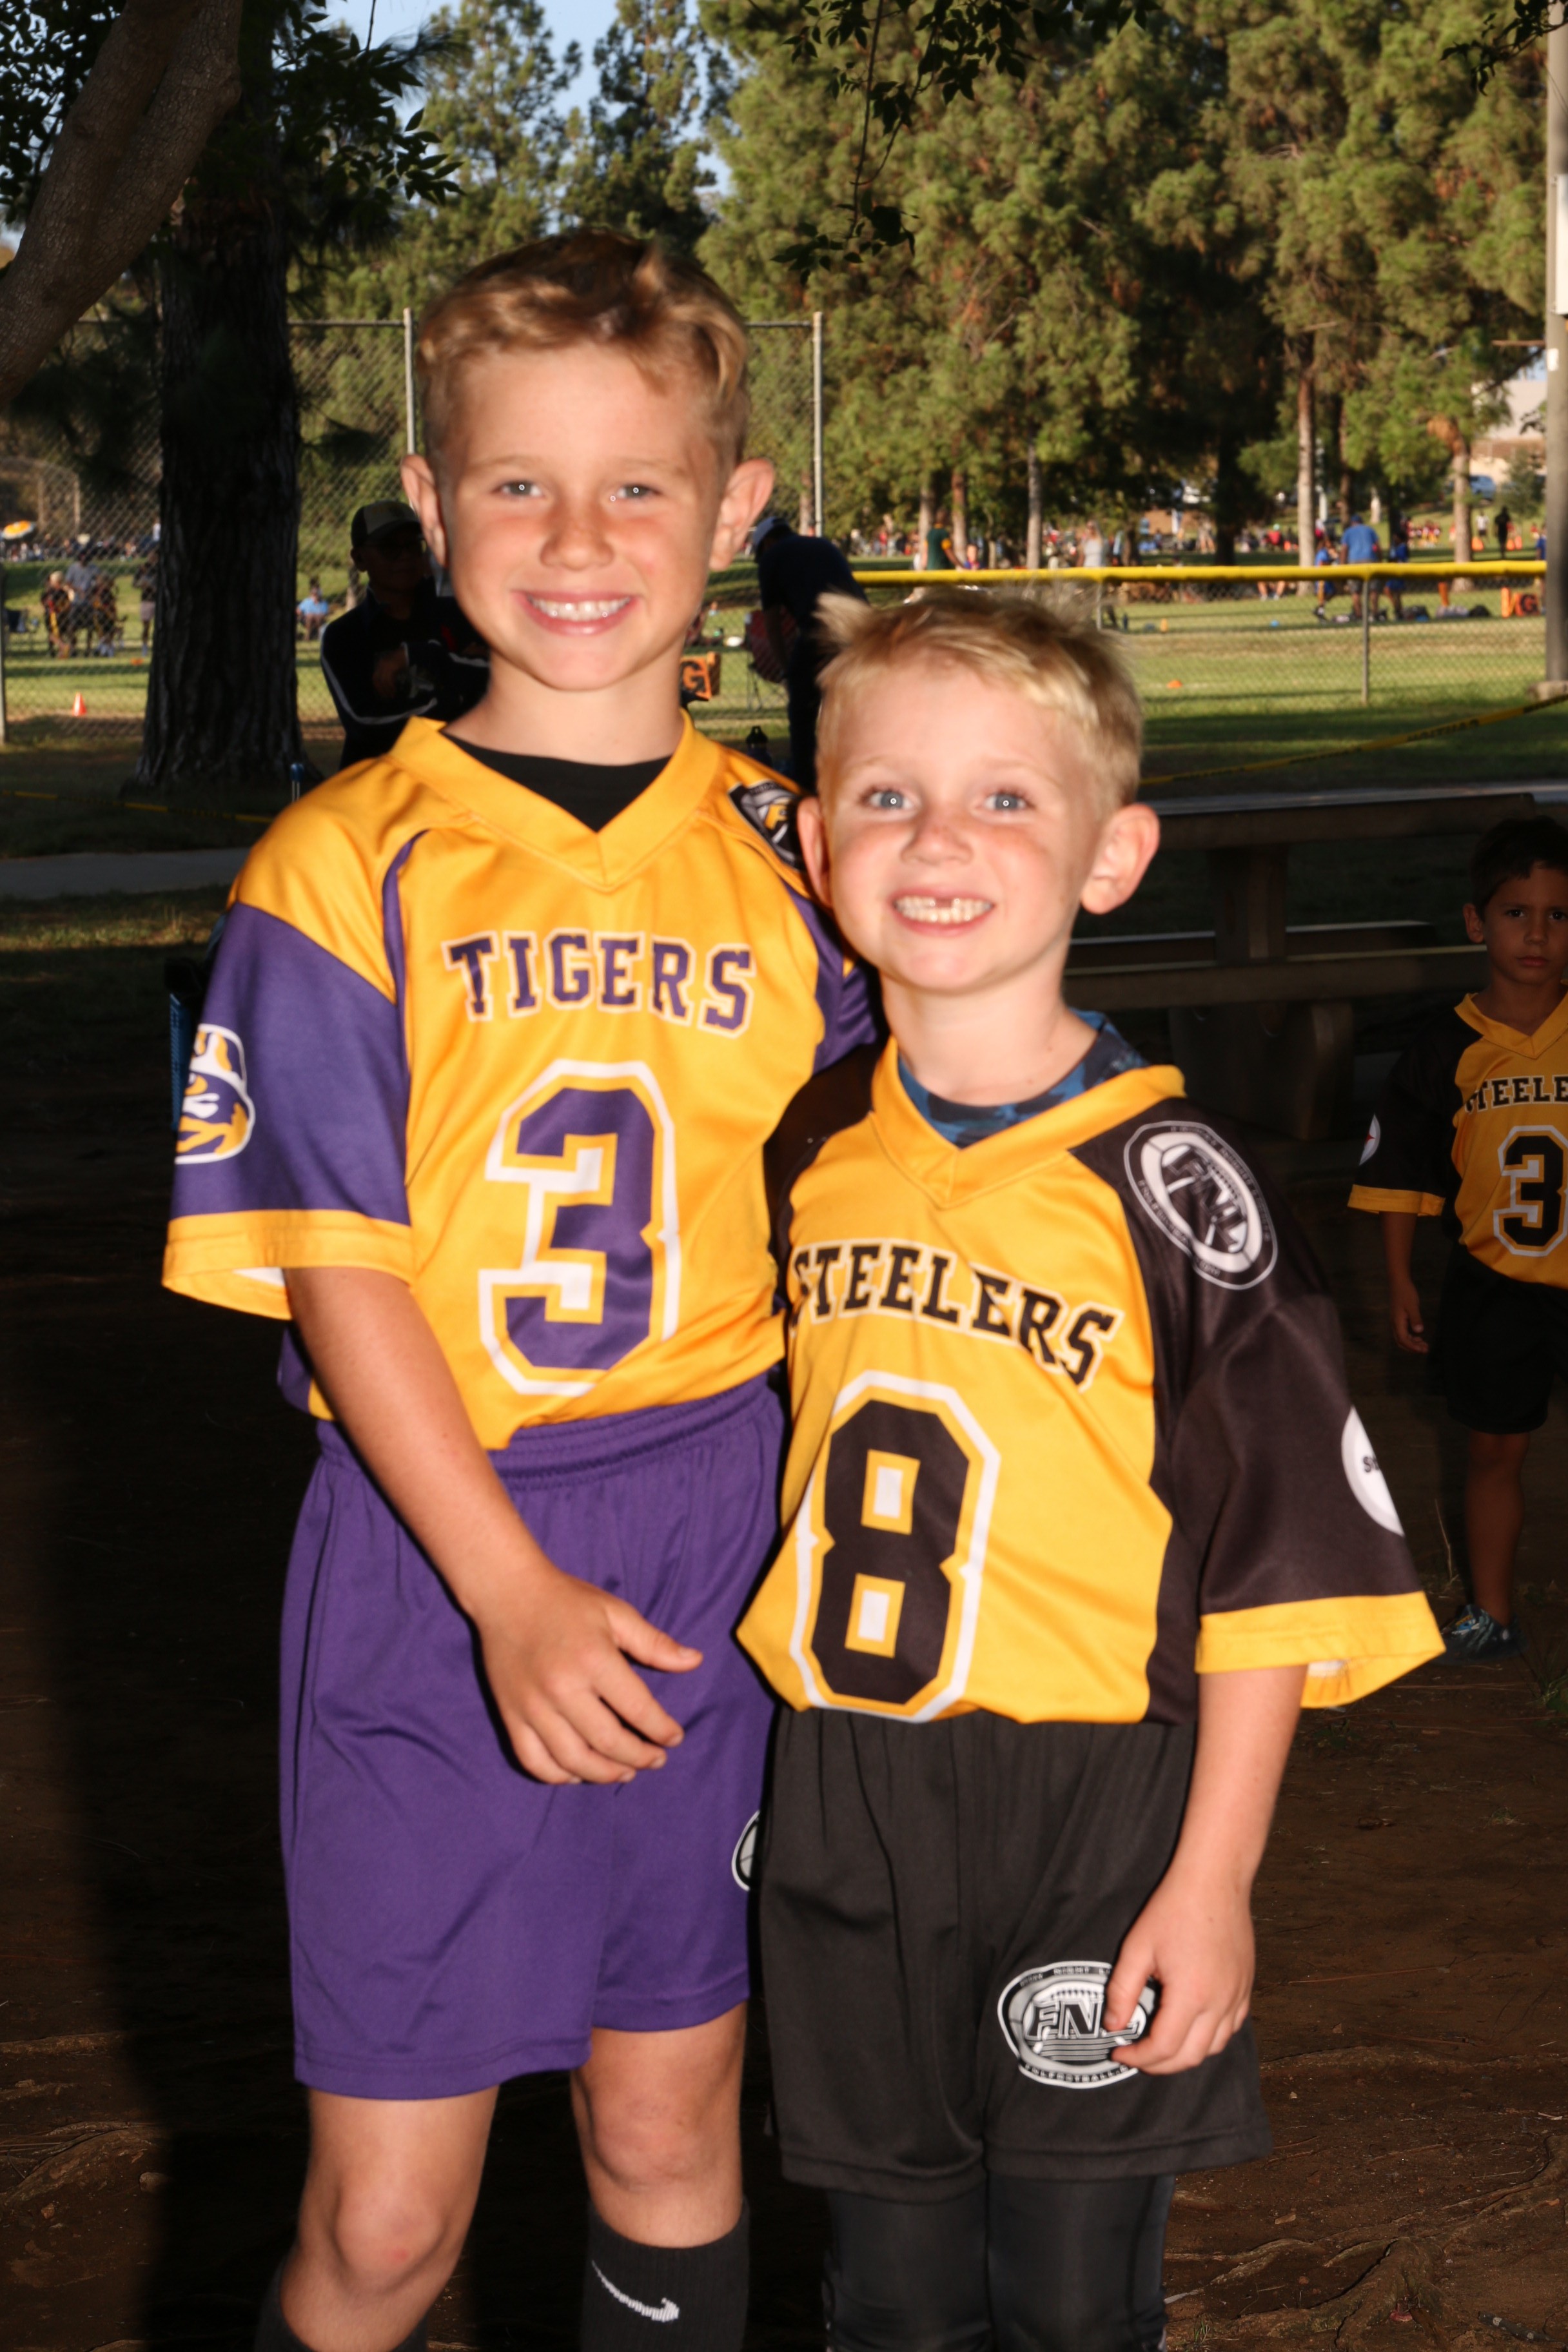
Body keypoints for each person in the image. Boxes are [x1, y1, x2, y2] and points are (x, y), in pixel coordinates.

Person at [162, 230, 876, 2352]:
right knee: (391, 2220)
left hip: (726, 1522)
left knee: (670, 2125)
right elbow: (336, 1267)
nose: (579, 540)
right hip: (438, 1539)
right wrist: (505, 1587)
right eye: (519, 485)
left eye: (639, 484)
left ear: (736, 508)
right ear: (428, 499)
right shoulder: (341, 861)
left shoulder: (808, 853)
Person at [738, 587, 1442, 2352]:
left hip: (1096, 1801)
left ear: (1111, 856)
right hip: (847, 1786)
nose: (937, 842)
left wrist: (1211, 1879)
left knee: (1067, 2298)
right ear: (817, 845)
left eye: (1004, 799)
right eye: (887, 797)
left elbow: (1280, 1569)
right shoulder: (815, 1149)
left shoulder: (1175, 1191)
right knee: (885, 2294)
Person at [1350, 816, 1568, 1663]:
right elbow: (1401, 1171)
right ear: (1477, 922)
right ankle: (1491, 1611)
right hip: (1494, 1281)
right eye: (1517, 913)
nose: (1537, 935)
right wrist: (1401, 1278)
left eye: (1557, 915)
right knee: (1491, 1450)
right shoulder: (1444, 1048)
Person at [318, 498, 489, 768]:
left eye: (413, 545)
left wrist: (417, 656)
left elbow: (498, 680)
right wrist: (454, 698)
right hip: (380, 782)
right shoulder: (345, 636)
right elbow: (366, 725)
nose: (406, 556)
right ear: (360, 559)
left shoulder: (460, 614)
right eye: (390, 548)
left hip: (460, 775)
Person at [752, 511, 866, 791]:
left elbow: (772, 625)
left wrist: (785, 671)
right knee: (855, 703)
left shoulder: (772, 558)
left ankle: (806, 785)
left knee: (801, 710)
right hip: (864, 624)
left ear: (767, 543)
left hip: (826, 625)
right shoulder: (822, 545)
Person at [1342, 511, 1379, 620]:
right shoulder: (1370, 530)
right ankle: (1375, 613)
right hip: (1370, 560)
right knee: (1373, 589)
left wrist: (1342, 565)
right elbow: (1378, 547)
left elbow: (1344, 550)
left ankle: (1359, 615)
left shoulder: (1348, 532)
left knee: (1355, 591)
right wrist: (1380, 561)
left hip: (1354, 562)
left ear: (1352, 523)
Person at [41, 571, 72, 656]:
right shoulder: (63, 592)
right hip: (62, 616)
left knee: (52, 635)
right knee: (58, 635)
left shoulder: (52, 593)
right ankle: (62, 652)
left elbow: (48, 604)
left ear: (56, 582)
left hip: (53, 617)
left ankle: (63, 647)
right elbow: (68, 604)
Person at [297, 578, 331, 642]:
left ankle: (319, 636)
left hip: (319, 619)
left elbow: (326, 613)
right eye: (314, 594)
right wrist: (302, 616)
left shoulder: (324, 603)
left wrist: (317, 616)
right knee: (310, 616)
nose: (316, 596)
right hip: (307, 619)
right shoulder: (307, 601)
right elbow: (298, 610)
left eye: (317, 594)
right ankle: (308, 636)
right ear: (312, 594)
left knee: (317, 617)